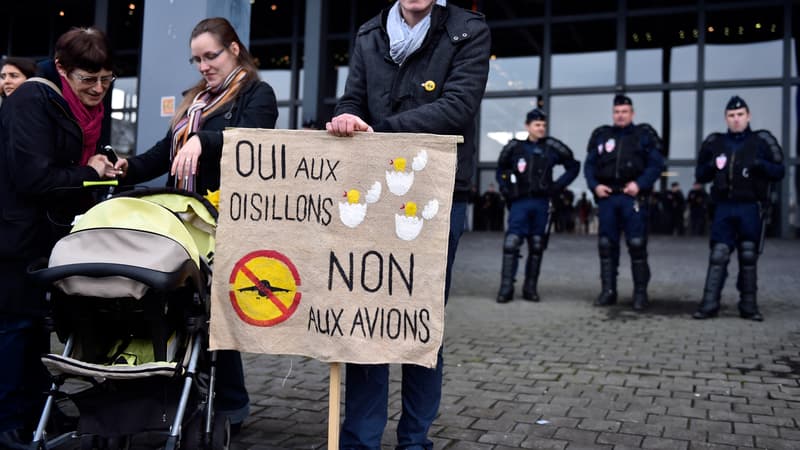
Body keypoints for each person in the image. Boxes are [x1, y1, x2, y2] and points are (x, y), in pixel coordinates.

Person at [325, 0, 490, 447]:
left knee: (421, 317)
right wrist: (346, 116)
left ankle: (414, 439)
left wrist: (378, 131)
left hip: (438, 190)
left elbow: (457, 107)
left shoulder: (468, 30)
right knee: (368, 314)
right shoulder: (369, 33)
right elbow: (352, 98)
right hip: (375, 187)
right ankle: (361, 438)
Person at [114, 17, 278, 432]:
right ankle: (183, 393)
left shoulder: (257, 94)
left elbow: (251, 138)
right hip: (182, 220)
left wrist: (204, 140)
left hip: (222, 220)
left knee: (215, 313)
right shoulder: (196, 99)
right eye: (197, 59)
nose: (204, 66)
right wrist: (127, 167)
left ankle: (231, 403)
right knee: (180, 308)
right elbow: (163, 153)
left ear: (234, 50)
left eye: (211, 56)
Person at [0, 27, 118, 448]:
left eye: (106, 79)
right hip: (16, 235)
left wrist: (102, 164)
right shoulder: (32, 99)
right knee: (14, 326)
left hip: (49, 234)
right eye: (89, 79)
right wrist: (90, 172)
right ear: (62, 69)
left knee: (35, 326)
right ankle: (8, 421)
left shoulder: (83, 103)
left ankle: (36, 410)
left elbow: (77, 157)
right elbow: (33, 177)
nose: (99, 89)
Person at [692, 96, 784, 321]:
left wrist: (760, 164)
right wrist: (713, 166)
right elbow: (700, 174)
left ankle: (749, 307)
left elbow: (779, 171)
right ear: (726, 118)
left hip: (750, 207)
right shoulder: (716, 142)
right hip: (724, 207)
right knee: (718, 254)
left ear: (748, 116)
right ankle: (709, 304)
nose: (736, 119)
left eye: (740, 114)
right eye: (731, 115)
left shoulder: (761, 141)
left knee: (748, 254)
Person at [584, 94, 664, 311]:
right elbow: (589, 166)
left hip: (632, 198)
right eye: (617, 112)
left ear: (632, 113)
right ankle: (608, 292)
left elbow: (656, 165)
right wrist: (595, 186)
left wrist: (640, 184)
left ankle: (640, 294)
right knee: (606, 246)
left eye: (624, 112)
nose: (620, 115)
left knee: (637, 245)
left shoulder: (643, 135)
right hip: (608, 198)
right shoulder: (602, 135)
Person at [495, 108, 579, 303]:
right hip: (520, 203)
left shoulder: (552, 148)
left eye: (543, 125)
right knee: (511, 243)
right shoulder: (515, 148)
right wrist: (506, 188)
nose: (541, 128)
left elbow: (574, 166)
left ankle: (530, 289)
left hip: (541, 203)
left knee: (537, 245)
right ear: (527, 126)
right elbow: (501, 170)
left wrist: (557, 187)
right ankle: (506, 288)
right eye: (537, 125)